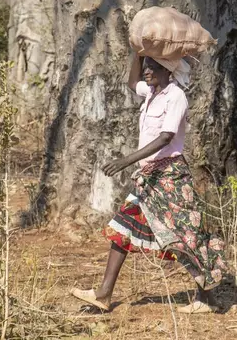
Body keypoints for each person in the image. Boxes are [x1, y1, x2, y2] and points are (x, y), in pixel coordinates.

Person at [70, 51, 227, 314]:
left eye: (153, 66)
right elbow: (133, 83)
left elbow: (166, 137)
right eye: (146, 66)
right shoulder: (151, 92)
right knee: (122, 227)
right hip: (148, 178)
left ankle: (208, 298)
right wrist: (137, 52)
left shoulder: (176, 96)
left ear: (169, 70)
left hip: (170, 178)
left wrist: (126, 160)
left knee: (185, 236)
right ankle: (104, 294)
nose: (147, 70)